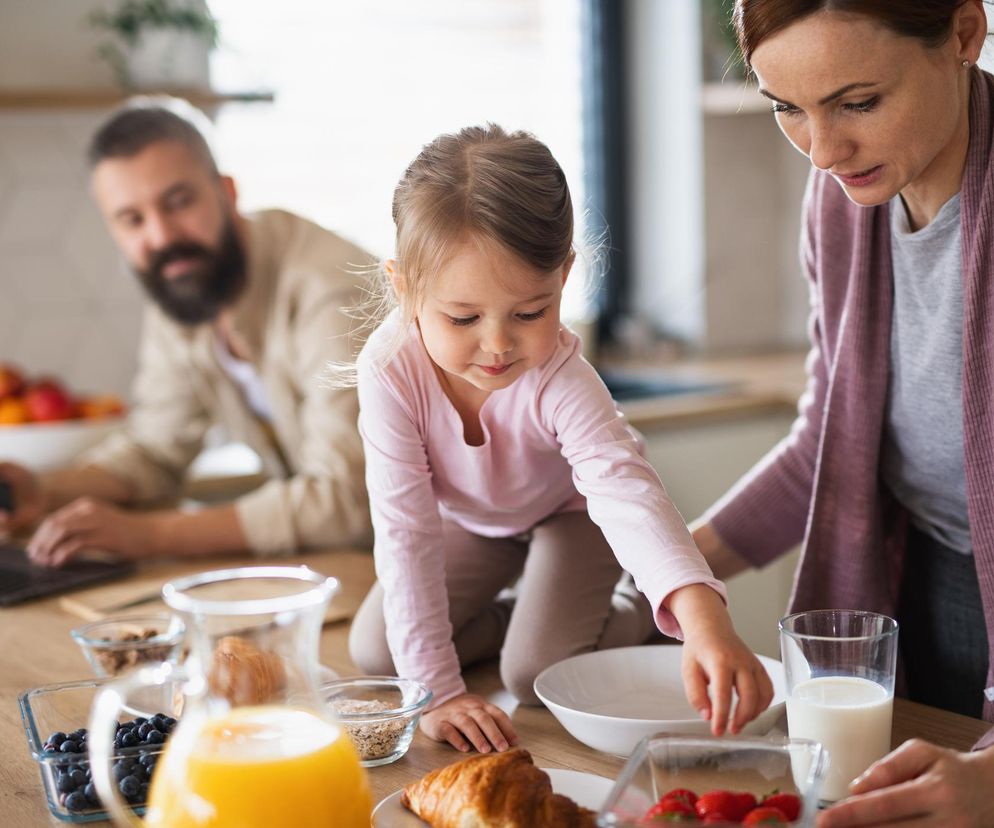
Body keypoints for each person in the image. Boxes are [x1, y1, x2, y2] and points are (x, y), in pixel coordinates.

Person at [347, 124, 773, 755]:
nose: (497, 344)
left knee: (531, 674)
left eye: (529, 312)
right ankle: (522, 614)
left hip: (575, 518)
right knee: (378, 650)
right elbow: (406, 531)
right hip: (475, 523)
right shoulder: (388, 370)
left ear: (565, 276)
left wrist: (702, 620)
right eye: (463, 318)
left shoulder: (561, 378)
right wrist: (437, 693)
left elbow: (624, 493)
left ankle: (633, 608)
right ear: (404, 287)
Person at [691, 1, 994, 824]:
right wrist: (673, 578)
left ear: (965, 35)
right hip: (915, 585)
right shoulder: (843, 204)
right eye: (788, 107)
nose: (823, 152)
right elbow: (828, 444)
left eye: (858, 103)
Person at [0, 97, 372, 565]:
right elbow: (156, 449)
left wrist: (149, 535)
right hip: (335, 562)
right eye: (132, 219)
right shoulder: (185, 289)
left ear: (228, 192)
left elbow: (350, 500)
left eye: (179, 202)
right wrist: (44, 491)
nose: (160, 237)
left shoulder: (332, 291)